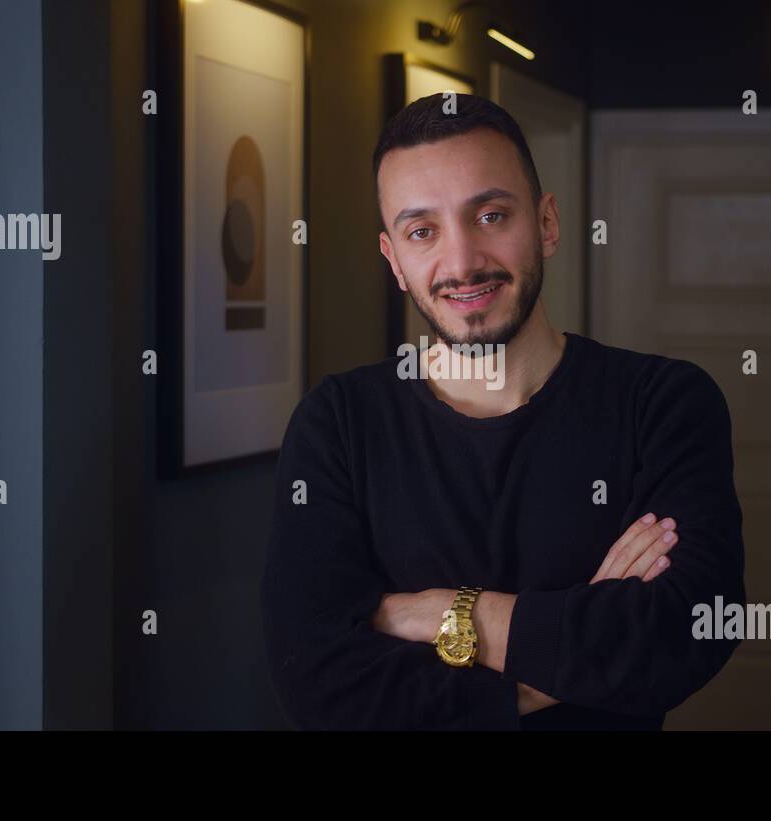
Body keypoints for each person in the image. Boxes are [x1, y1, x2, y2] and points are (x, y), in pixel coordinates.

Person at [259, 93, 745, 730]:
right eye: (422, 231)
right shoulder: (339, 424)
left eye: (490, 215)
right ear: (394, 260)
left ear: (546, 224)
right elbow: (319, 686)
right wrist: (574, 647)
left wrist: (439, 614)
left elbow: (685, 633)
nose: (461, 263)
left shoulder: (662, 403)